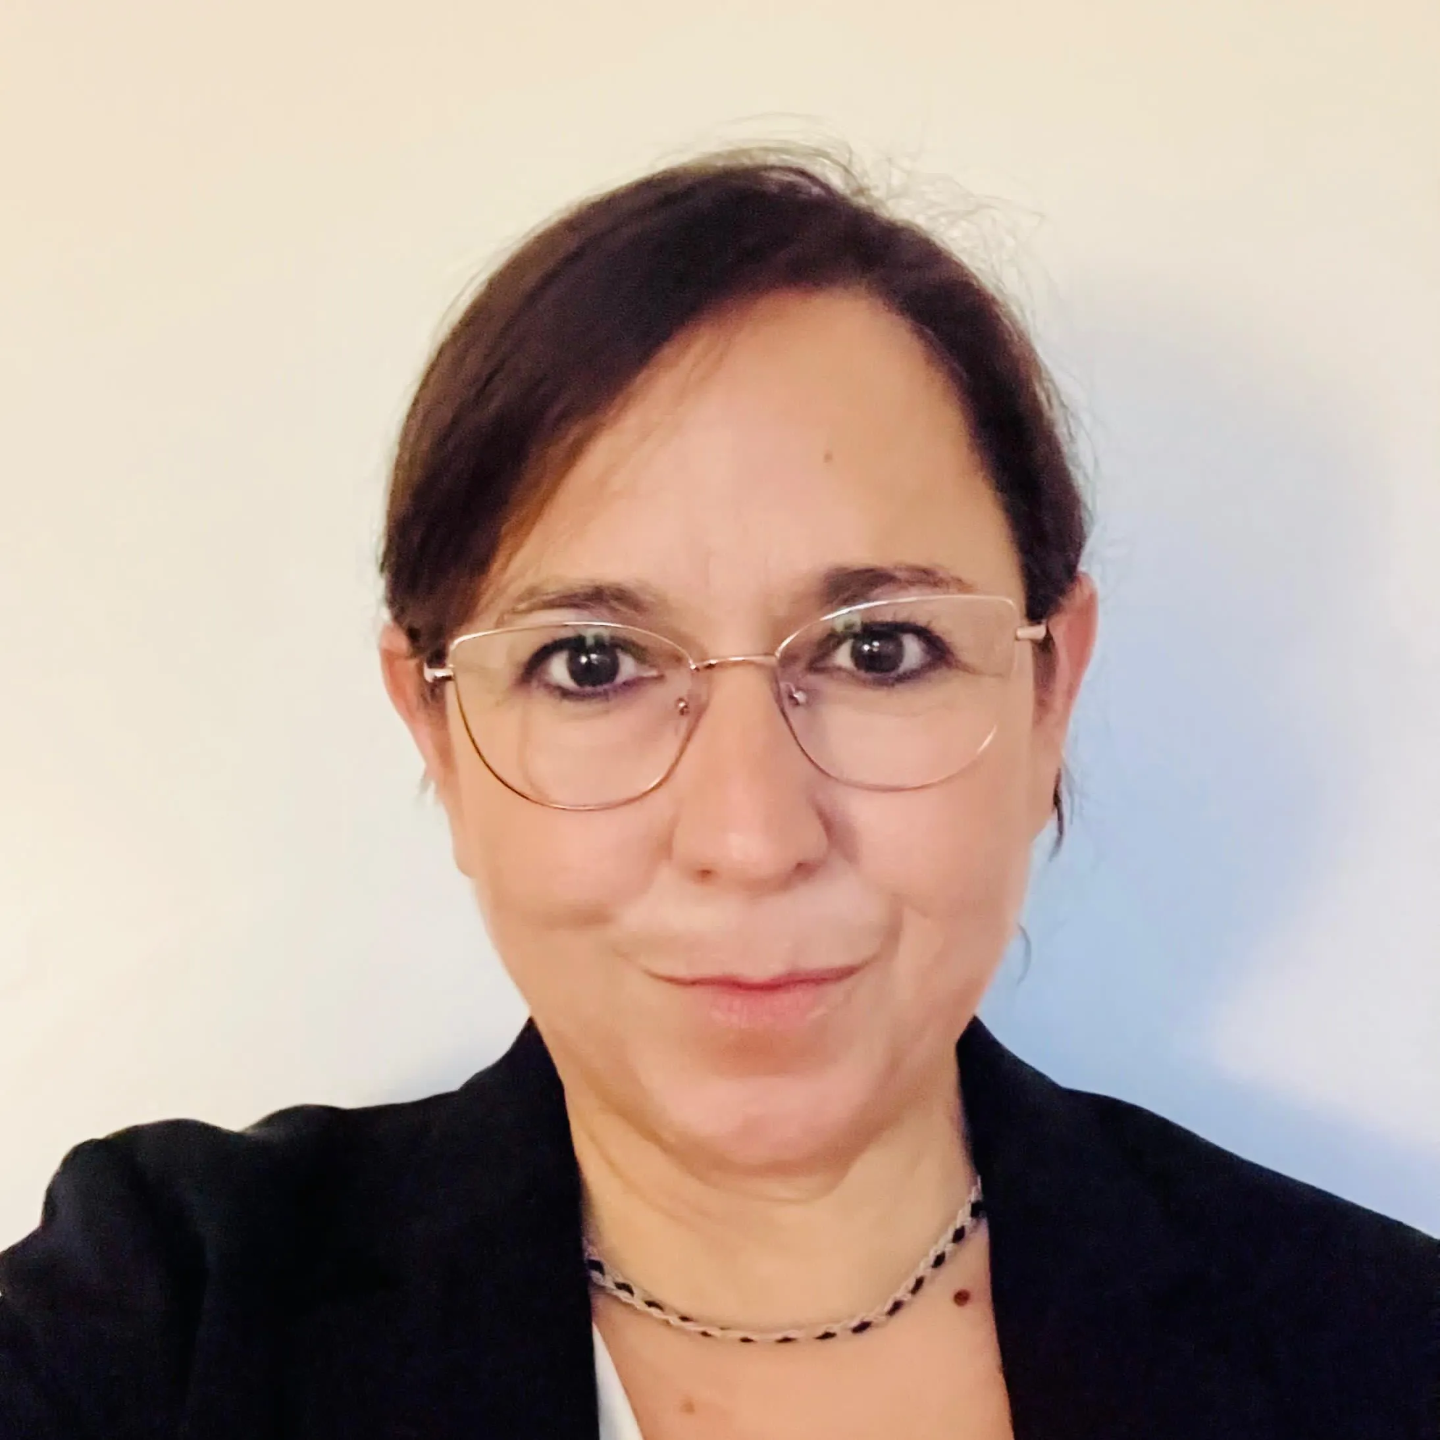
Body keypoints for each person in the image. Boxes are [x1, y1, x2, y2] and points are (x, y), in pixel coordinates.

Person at [1, 150, 1434, 1440]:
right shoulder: (165, 1318)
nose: (751, 837)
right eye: (592, 662)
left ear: (1049, 694)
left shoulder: (1382, 1354)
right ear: (434, 729)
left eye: (879, 651)